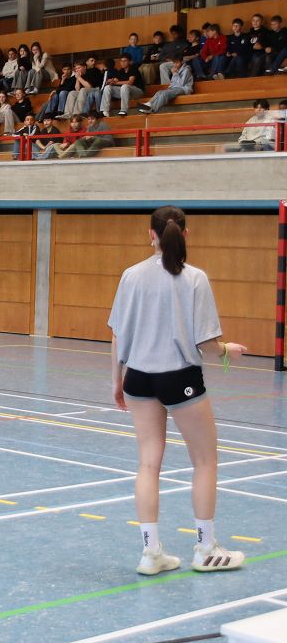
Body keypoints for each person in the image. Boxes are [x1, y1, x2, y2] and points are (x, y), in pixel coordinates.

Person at [109, 206, 247, 576]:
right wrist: (227, 350)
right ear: (184, 235)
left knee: (148, 463)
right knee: (205, 461)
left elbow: (118, 336)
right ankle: (205, 548)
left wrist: (116, 381)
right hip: (179, 378)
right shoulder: (195, 278)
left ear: (150, 235)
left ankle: (150, 553)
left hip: (138, 378)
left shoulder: (130, 276)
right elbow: (206, 344)